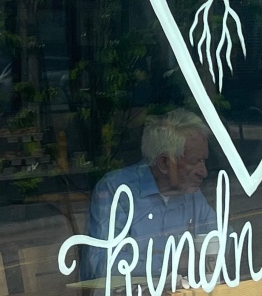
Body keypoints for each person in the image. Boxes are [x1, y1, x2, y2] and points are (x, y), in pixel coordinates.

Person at [82, 108, 216, 278]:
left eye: (203, 161)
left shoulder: (191, 193)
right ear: (165, 163)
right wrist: (171, 262)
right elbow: (102, 264)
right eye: (195, 162)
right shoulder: (116, 190)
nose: (203, 172)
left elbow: (221, 239)